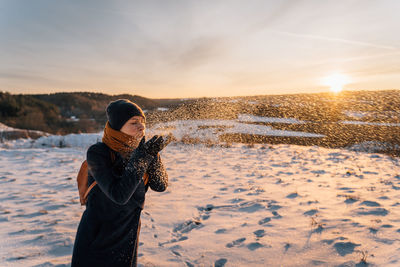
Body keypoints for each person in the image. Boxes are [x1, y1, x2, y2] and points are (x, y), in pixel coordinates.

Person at [71, 99, 170, 267]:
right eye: (134, 122)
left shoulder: (141, 152)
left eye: (142, 122)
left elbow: (160, 185)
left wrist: (154, 156)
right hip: (98, 238)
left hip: (127, 236)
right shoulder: (98, 153)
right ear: (118, 127)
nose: (141, 126)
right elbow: (119, 195)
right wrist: (143, 157)